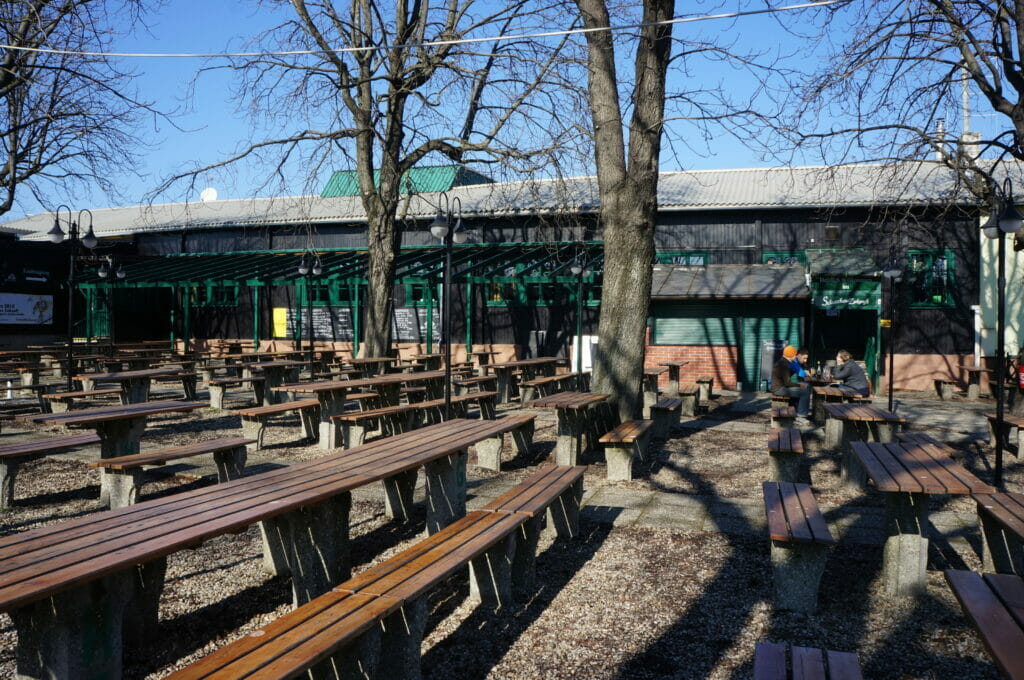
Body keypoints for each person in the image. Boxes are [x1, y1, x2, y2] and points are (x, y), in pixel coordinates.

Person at [771, 345, 811, 420]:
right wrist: (799, 385)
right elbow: (787, 383)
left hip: (779, 387)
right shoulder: (784, 364)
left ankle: (795, 410)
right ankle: (802, 415)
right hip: (779, 389)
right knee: (805, 392)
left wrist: (798, 385)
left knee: (801, 389)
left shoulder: (783, 362)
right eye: (795, 355)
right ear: (791, 355)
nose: (796, 356)